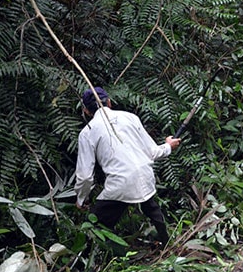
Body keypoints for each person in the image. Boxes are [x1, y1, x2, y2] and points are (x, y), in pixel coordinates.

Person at [74, 87, 181, 249]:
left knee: (94, 225)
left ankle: (92, 256)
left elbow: (85, 176)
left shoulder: (87, 133)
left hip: (120, 183)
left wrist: (81, 198)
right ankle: (168, 245)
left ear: (86, 111)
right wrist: (168, 146)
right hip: (145, 175)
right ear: (109, 102)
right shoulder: (130, 117)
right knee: (150, 206)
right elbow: (152, 152)